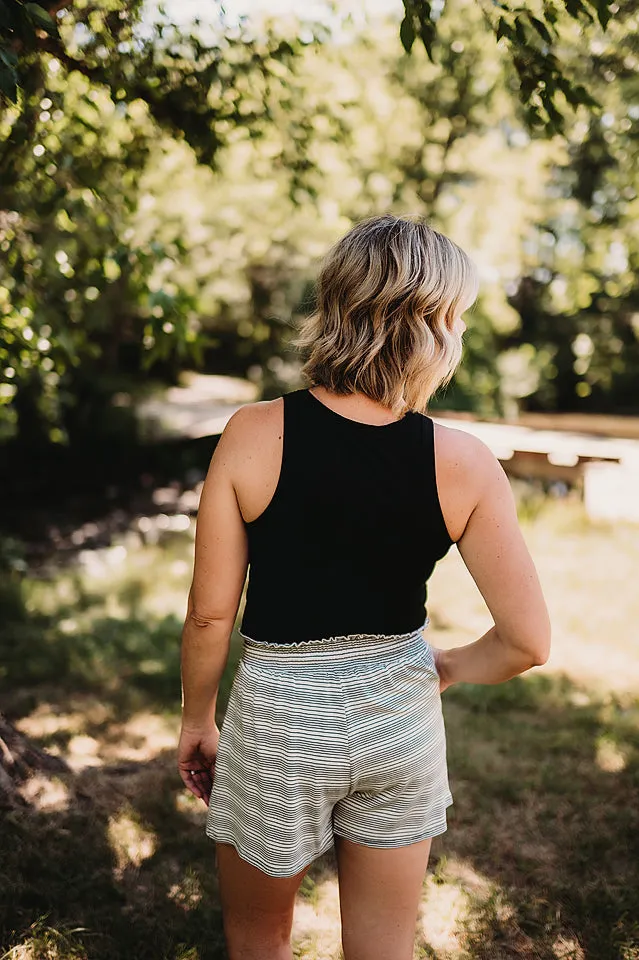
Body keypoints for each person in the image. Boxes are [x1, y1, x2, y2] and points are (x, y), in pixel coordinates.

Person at [177, 214, 551, 960]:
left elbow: (211, 616)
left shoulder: (252, 433)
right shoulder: (464, 461)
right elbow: (525, 641)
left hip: (279, 721)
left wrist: (197, 720)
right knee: (381, 950)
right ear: (435, 324)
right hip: (399, 720)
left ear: (335, 305)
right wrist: (442, 667)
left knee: (258, 942)